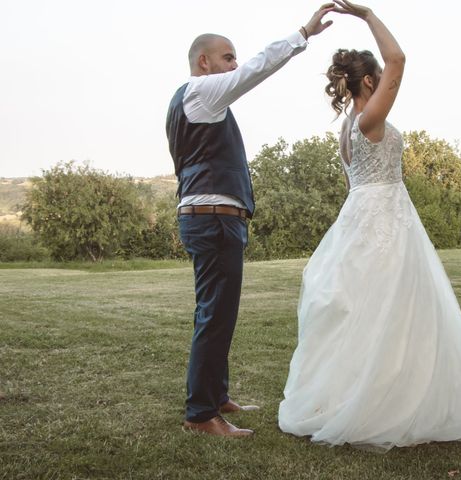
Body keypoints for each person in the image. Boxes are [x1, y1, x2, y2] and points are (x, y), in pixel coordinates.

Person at [278, 0, 461, 451]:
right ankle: (382, 403)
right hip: (386, 216)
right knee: (391, 307)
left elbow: (352, 183)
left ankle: (355, 392)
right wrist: (366, 15)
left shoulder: (346, 130)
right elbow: (399, 59)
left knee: (366, 309)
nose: (386, 81)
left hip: (358, 217)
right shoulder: (370, 118)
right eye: (378, 78)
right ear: (369, 80)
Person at [166, 4, 335, 437]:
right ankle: (201, 415)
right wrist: (303, 34)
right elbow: (258, 69)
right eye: (227, 57)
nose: (234, 64)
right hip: (214, 219)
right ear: (205, 62)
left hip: (210, 218)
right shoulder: (202, 91)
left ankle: (216, 397)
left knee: (219, 313)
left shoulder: (194, 102)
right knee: (214, 314)